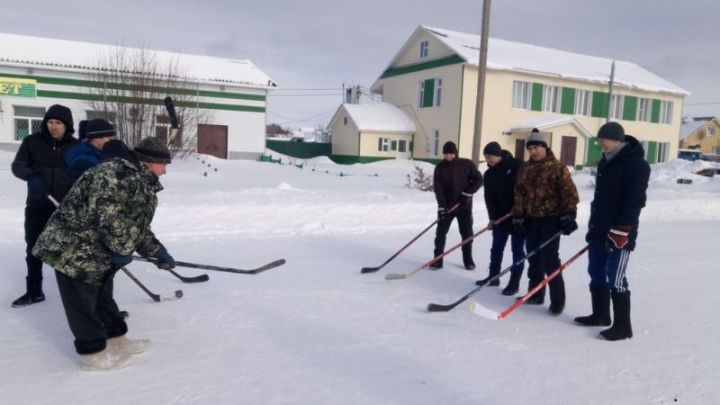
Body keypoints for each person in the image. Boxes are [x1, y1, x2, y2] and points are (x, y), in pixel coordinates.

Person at [32, 137, 176, 371]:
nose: (166, 171)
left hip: (98, 249)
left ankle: (116, 341)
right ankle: (93, 354)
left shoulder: (140, 181)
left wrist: (157, 250)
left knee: (103, 297)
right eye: (165, 164)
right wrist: (121, 249)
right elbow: (107, 217)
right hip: (72, 248)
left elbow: (135, 225)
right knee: (82, 302)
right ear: (151, 162)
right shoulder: (114, 174)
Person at [576, 122, 650, 341]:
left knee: (615, 277)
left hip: (621, 232)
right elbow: (600, 200)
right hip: (599, 228)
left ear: (617, 139)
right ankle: (600, 315)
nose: (600, 144)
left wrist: (623, 229)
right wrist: (594, 227)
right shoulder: (605, 162)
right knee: (596, 271)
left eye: (603, 140)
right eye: (599, 140)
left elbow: (635, 200)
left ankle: (622, 327)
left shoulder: (636, 165)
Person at [10, 104, 78, 308]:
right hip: (37, 204)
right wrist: (31, 176)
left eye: (58, 123)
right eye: (50, 122)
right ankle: (34, 291)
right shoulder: (32, 142)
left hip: (65, 206)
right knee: (34, 247)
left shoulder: (76, 147)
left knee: (70, 251)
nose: (53, 127)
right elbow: (18, 165)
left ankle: (76, 294)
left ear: (67, 125)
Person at [512, 129, 579, 315]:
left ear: (544, 147)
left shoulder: (557, 167)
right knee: (533, 257)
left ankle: (558, 300)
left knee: (550, 260)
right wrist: (518, 216)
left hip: (551, 219)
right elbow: (519, 194)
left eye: (537, 147)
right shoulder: (525, 168)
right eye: (530, 148)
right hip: (531, 219)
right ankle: (536, 294)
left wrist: (569, 214)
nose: (533, 152)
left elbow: (570, 194)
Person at [476, 142, 525, 295]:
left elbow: (526, 188)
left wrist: (519, 208)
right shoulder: (489, 174)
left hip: (518, 216)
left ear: (497, 154)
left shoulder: (517, 165)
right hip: (500, 218)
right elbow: (489, 198)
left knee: (517, 250)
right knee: (496, 248)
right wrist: (492, 218)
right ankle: (493, 276)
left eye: (489, 156)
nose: (487, 160)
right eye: (485, 157)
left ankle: (514, 282)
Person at [431, 141, 483, 270]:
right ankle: (438, 259)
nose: (448, 156)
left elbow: (478, 180)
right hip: (447, 208)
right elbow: (438, 189)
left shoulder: (466, 164)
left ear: (455, 153)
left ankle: (468, 260)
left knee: (467, 234)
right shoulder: (440, 168)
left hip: (463, 206)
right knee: (440, 233)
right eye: (446, 154)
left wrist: (468, 193)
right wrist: (442, 206)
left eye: (451, 154)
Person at [65, 118, 117, 183]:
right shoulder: (83, 162)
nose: (112, 140)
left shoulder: (100, 154)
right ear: (96, 138)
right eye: (109, 137)